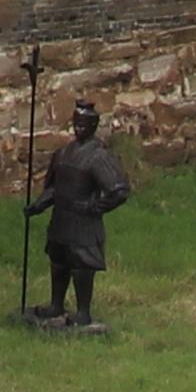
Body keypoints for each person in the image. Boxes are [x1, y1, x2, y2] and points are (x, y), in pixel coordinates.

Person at [31, 99, 131, 330]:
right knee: (58, 261)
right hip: (61, 219)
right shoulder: (63, 153)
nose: (79, 129)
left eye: (84, 125)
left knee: (81, 265)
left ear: (94, 126)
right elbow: (54, 188)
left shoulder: (98, 157)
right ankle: (56, 305)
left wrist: (95, 208)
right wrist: (38, 206)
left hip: (82, 223)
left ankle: (83, 312)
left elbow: (119, 190)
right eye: (76, 123)